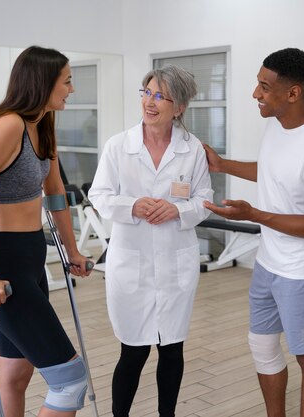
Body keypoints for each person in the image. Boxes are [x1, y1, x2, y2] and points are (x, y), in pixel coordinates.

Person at [0, 45, 93, 417]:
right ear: (43, 83)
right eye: (67, 81)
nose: (71, 89)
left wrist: (72, 250)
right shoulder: (7, 126)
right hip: (4, 262)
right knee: (70, 380)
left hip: (33, 257)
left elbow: (56, 194)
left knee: (15, 376)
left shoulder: (42, 124)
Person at [203, 48, 304, 417]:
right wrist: (222, 165)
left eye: (264, 87)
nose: (256, 94)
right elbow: (270, 171)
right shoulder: (276, 124)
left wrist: (254, 214)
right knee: (261, 345)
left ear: (293, 93)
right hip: (269, 262)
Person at [88, 64, 212, 417]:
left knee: (172, 348)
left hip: (176, 263)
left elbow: (204, 198)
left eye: (160, 96)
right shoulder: (118, 146)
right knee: (134, 350)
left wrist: (178, 211)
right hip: (132, 265)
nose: (150, 102)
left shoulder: (192, 149)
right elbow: (99, 194)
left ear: (180, 106)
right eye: (147, 93)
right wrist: (133, 206)